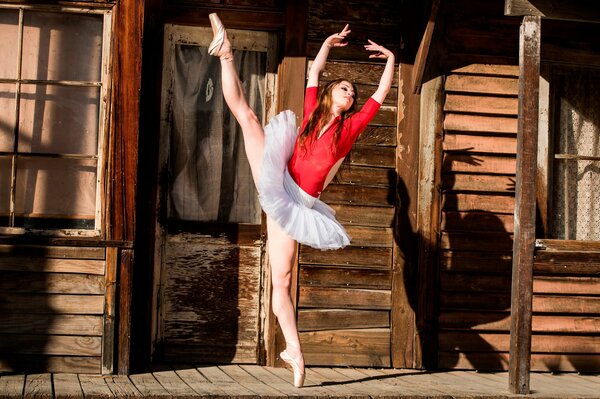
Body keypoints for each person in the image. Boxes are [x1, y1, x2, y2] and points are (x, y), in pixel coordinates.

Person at [208, 13, 395, 388]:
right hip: (280, 177)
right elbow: (315, 73)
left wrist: (390, 58)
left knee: (284, 278)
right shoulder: (313, 110)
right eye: (344, 88)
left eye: (352, 93)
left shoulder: (351, 128)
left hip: (299, 204)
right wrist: (325, 45)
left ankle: (293, 350)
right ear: (330, 94)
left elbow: (380, 94)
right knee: (248, 118)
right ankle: (226, 54)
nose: (351, 94)